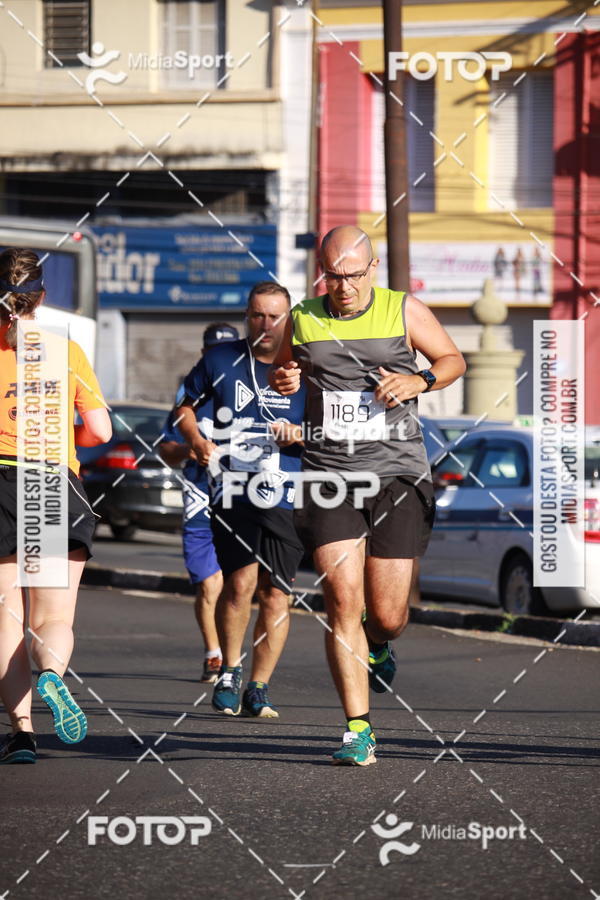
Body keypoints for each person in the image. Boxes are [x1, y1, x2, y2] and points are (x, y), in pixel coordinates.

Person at [271, 226, 466, 765]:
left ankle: (378, 644)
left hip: (398, 476)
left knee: (387, 616)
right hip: (329, 475)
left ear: (373, 268)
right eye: (334, 277)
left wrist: (419, 381)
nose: (344, 287)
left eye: (354, 276)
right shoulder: (303, 317)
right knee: (342, 601)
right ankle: (358, 730)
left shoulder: (404, 310)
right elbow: (283, 369)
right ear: (322, 274)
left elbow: (453, 360)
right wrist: (286, 381)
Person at [0, 248, 112, 764]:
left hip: (3, 481)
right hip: (52, 482)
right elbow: (100, 431)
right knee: (54, 617)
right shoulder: (64, 350)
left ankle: (21, 732)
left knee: (7, 616)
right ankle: (52, 673)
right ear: (41, 297)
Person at [176, 282, 305, 718]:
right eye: (257, 315)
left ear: (288, 318)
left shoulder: (307, 365)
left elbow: (332, 430)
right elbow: (183, 408)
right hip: (234, 487)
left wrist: (299, 434)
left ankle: (259, 686)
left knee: (277, 594)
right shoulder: (220, 359)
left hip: (287, 493)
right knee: (239, 586)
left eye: (275, 316)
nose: (265, 324)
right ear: (247, 316)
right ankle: (230, 670)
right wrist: (196, 440)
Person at [159, 322, 239, 684]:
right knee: (209, 583)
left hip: (242, 495)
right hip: (199, 496)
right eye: (212, 351)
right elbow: (166, 449)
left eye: (226, 350)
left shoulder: (248, 387)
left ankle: (233, 658)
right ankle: (214, 654)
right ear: (204, 353)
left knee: (238, 584)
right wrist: (189, 449)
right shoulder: (189, 396)